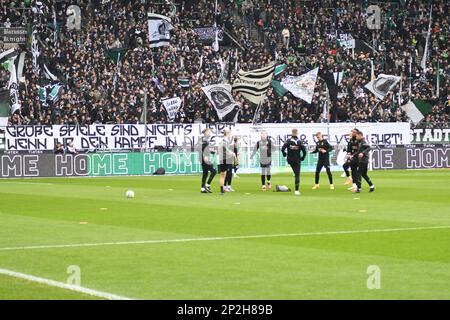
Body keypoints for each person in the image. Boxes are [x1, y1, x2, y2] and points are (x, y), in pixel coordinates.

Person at [281, 128, 307, 196]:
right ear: (297, 133)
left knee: (295, 172)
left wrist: (284, 154)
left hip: (290, 159)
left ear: (291, 133)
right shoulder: (300, 142)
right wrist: (303, 157)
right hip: (297, 160)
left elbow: (282, 149)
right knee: (297, 175)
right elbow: (304, 151)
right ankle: (296, 190)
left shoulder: (288, 141)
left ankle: (294, 173)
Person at [217, 129, 236, 195]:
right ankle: (225, 188)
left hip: (222, 159)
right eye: (229, 133)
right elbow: (226, 150)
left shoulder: (223, 141)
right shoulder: (224, 141)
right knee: (226, 174)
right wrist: (232, 153)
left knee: (223, 175)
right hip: (226, 159)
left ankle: (222, 189)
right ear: (227, 134)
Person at [199, 128, 216, 193]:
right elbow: (202, 149)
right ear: (206, 132)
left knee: (205, 173)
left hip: (202, 158)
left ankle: (202, 188)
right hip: (205, 158)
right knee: (214, 171)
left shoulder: (203, 139)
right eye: (209, 132)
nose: (210, 133)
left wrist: (211, 151)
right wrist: (205, 156)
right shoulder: (204, 140)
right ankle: (207, 185)